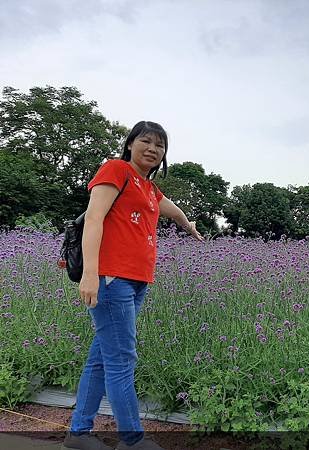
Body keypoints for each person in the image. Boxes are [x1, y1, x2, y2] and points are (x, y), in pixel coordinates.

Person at [62, 121, 202, 450]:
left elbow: (171, 209)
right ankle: (132, 440)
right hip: (112, 280)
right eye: (146, 141)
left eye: (160, 145)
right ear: (130, 144)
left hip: (137, 282)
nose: (153, 149)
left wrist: (186, 223)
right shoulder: (116, 170)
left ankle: (78, 435)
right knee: (122, 359)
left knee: (101, 358)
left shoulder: (148, 189)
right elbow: (94, 219)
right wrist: (90, 274)